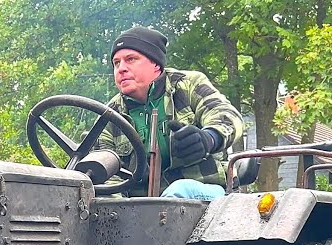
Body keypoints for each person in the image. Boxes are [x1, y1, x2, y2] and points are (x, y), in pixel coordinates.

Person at [97, 27, 244, 200]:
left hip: (206, 196)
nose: (121, 68)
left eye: (131, 59)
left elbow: (228, 116)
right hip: (139, 210)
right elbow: (105, 175)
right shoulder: (111, 114)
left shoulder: (188, 85)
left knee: (180, 190)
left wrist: (209, 138)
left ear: (156, 65)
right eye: (116, 63)